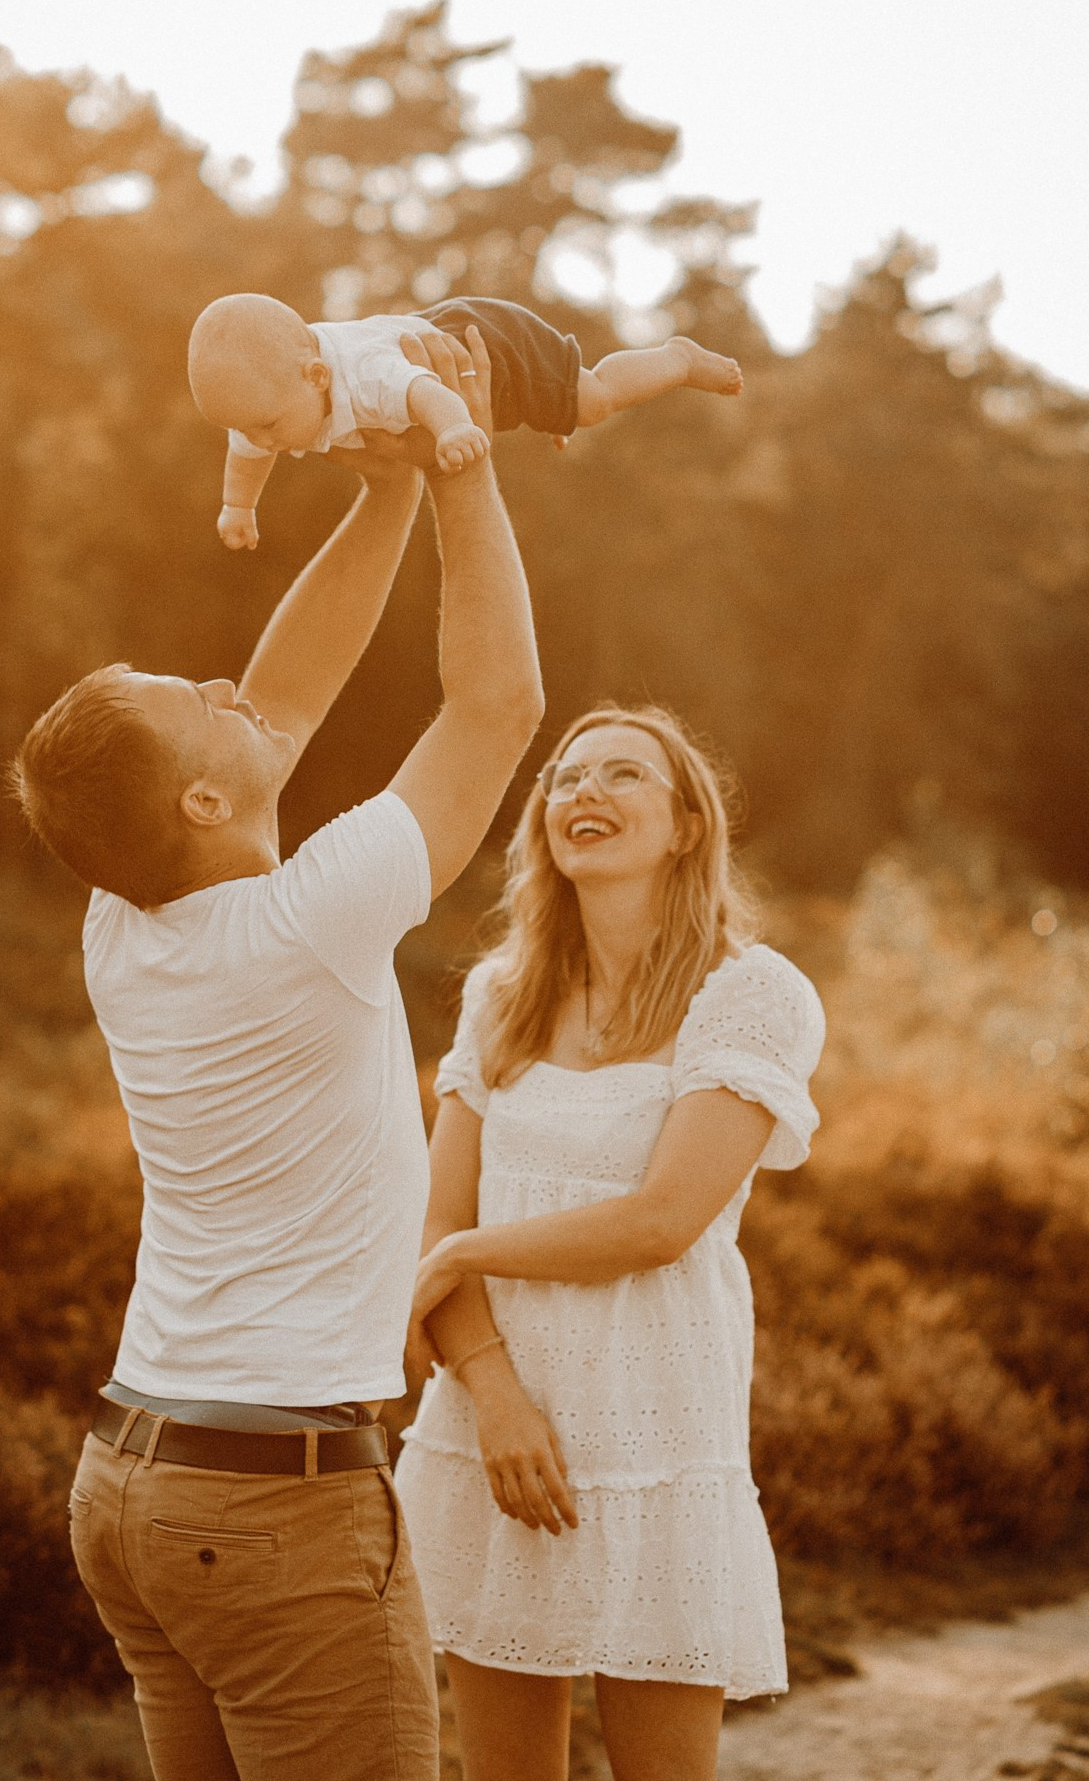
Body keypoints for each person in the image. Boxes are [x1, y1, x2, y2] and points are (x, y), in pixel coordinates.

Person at [10, 329, 544, 1781]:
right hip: (276, 1503)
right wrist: (457, 467)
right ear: (195, 797)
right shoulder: (311, 919)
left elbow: (288, 699)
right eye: (200, 696)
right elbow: (496, 712)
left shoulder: (123, 929)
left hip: (136, 1483)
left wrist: (370, 497)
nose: (230, 684)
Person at [394, 705, 826, 1781]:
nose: (583, 790)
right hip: (488, 1429)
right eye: (564, 777)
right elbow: (436, 1220)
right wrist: (494, 1397)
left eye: (622, 773)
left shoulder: (751, 995)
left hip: (659, 1434)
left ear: (686, 825)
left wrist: (461, 1260)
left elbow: (661, 1219)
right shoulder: (499, 995)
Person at [187, 290, 744, 548]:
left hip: (489, 340)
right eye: (245, 428)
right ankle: (547, 403)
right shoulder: (271, 399)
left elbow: (428, 392)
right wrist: (238, 506)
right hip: (442, 346)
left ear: (316, 376)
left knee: (591, 400)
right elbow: (246, 450)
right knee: (559, 405)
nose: (262, 441)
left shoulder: (369, 374)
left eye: (267, 426)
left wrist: (455, 429)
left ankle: (678, 358)